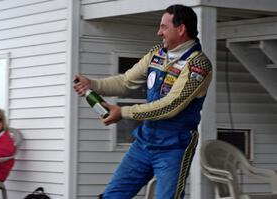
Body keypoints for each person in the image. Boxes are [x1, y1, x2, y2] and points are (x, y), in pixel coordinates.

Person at [74, 4, 212, 199]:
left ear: (181, 29)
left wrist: (122, 112)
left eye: (164, 27)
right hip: (144, 142)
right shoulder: (157, 53)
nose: (158, 32)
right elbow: (125, 81)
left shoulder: (198, 64)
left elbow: (170, 106)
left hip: (174, 148)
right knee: (112, 196)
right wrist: (93, 84)